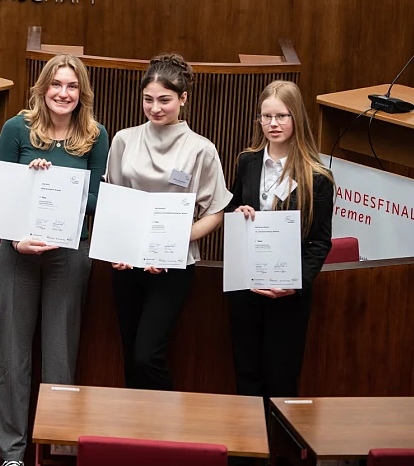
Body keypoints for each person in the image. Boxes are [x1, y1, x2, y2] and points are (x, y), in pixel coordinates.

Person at [0, 55, 109, 466]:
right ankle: (12, 453)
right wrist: (30, 180)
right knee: (14, 358)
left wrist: (59, 184)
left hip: (69, 254)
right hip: (18, 253)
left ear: (82, 94)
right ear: (43, 88)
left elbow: (98, 199)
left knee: (60, 357)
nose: (64, 93)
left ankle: (57, 450)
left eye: (72, 87)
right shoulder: (16, 129)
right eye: (57, 85)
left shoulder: (96, 135)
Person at [105, 54, 232, 391]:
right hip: (126, 263)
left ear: (183, 99)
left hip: (172, 266)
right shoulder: (123, 140)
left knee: (148, 355)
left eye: (164, 100)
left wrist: (173, 243)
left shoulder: (201, 149)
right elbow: (113, 201)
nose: (155, 108)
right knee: (130, 355)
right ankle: (136, 439)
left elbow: (216, 212)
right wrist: (119, 247)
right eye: (148, 99)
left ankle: (169, 435)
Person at [227, 80, 334, 408]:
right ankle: (249, 452)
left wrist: (294, 284)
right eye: (266, 117)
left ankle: (278, 454)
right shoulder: (247, 161)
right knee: (246, 376)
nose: (273, 124)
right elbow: (230, 208)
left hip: (288, 296)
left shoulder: (317, 176)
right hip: (246, 288)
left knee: (281, 380)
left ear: (296, 119)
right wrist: (238, 211)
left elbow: (320, 242)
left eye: (282, 117)